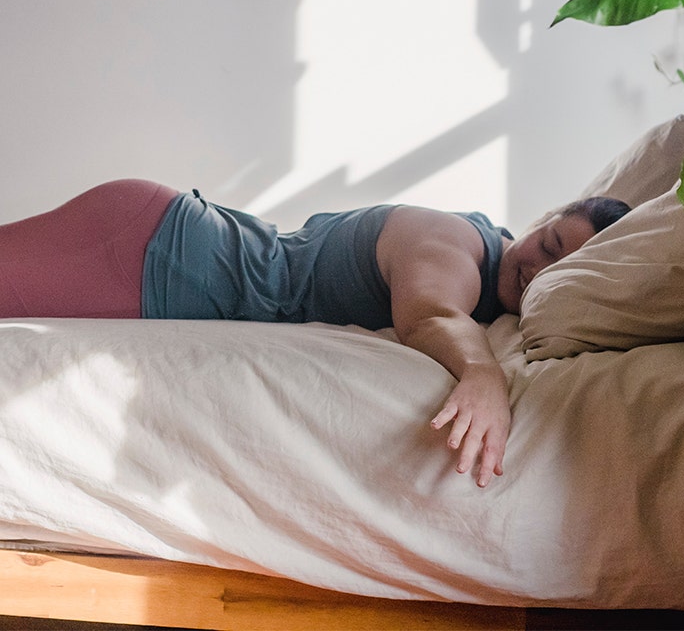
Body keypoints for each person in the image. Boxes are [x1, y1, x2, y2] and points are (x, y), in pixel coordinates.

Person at [0, 180, 630, 487]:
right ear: (544, 217)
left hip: (166, 252)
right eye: (548, 243)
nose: (537, 271)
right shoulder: (456, 243)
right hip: (161, 251)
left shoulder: (497, 284)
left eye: (561, 269)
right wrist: (483, 373)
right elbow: (431, 315)